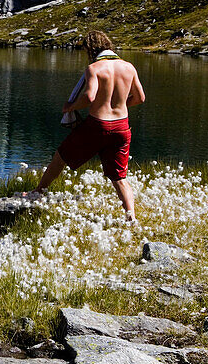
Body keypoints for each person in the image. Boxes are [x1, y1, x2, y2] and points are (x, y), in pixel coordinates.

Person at [32, 30, 145, 221]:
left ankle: (38, 191)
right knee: (119, 176)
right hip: (122, 127)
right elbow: (140, 98)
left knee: (61, 156)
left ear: (91, 49)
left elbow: (89, 96)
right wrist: (118, 105)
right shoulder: (129, 67)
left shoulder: (94, 68)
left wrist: (71, 107)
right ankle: (131, 217)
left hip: (97, 125)